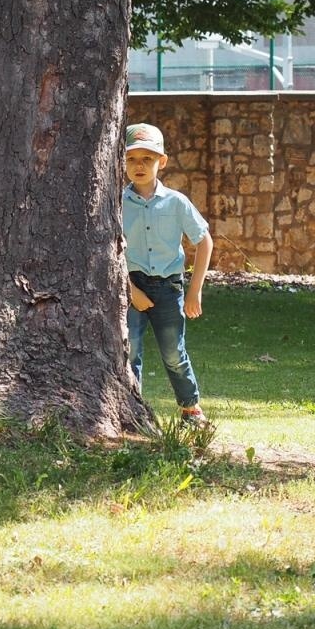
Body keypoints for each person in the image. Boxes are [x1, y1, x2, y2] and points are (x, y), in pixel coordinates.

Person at [123, 122, 213, 427]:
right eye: (132, 159)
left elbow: (204, 241)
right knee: (129, 351)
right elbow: (108, 249)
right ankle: (134, 412)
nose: (139, 166)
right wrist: (129, 289)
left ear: (162, 162)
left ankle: (191, 410)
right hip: (131, 287)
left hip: (169, 289)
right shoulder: (117, 202)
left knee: (174, 352)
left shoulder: (176, 203)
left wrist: (195, 290)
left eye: (147, 159)